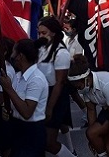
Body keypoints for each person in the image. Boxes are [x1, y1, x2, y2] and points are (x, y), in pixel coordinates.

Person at [68, 55, 109, 157]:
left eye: (78, 86)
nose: (78, 90)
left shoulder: (106, 83)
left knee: (107, 141)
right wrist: (92, 140)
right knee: (92, 134)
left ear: (86, 79)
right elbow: (91, 110)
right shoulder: (86, 87)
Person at [0, 39, 49, 157]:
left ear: (20, 56)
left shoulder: (36, 79)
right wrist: (7, 111)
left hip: (32, 132)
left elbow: (27, 112)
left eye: (14, 52)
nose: (12, 56)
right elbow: (15, 103)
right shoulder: (18, 76)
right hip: (18, 128)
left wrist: (9, 89)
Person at [36, 16, 76, 157]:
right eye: (39, 32)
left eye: (44, 33)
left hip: (55, 97)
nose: (40, 36)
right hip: (41, 94)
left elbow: (59, 82)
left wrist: (50, 108)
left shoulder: (61, 53)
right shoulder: (41, 49)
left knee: (49, 142)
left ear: (53, 33)